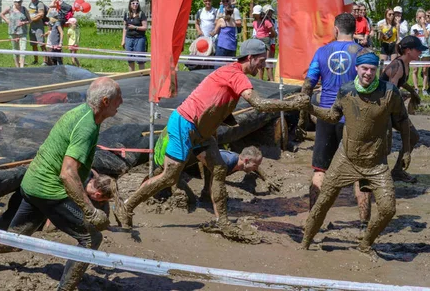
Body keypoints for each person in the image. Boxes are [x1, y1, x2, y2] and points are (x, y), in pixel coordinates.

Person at [113, 39, 310, 236]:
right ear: (250, 58)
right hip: (185, 124)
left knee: (219, 168)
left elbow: (217, 107)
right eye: (261, 60)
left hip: (202, 133)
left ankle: (222, 221)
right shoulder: (236, 74)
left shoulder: (230, 72)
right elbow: (258, 104)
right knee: (169, 176)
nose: (263, 65)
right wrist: (293, 104)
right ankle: (127, 206)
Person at [0, 77, 123, 291]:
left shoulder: (83, 114)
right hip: (49, 191)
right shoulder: (85, 127)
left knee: (15, 240)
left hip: (35, 183)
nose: (121, 103)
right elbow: (68, 174)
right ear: (105, 101)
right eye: (118, 99)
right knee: (91, 239)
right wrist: (90, 211)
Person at [301, 49, 412, 255]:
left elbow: (404, 122)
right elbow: (333, 116)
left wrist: (406, 151)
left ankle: (366, 242)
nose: (368, 73)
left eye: (372, 69)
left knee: (388, 209)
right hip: (346, 159)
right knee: (323, 202)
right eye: (364, 69)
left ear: (377, 70)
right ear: (356, 69)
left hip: (376, 163)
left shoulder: (389, 93)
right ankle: (305, 243)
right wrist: (310, 108)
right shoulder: (346, 90)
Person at [297, 13, 370, 227]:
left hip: (327, 116)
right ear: (354, 31)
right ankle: (364, 224)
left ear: (336, 29)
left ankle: (314, 219)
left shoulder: (322, 51)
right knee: (361, 173)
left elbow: (308, 86)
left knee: (320, 170)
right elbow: (372, 88)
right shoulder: (363, 53)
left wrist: (303, 115)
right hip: (354, 119)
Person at [380, 35, 425, 183]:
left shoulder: (406, 63)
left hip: (392, 106)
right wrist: (404, 96)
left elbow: (401, 82)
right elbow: (391, 92)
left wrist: (412, 92)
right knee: (385, 144)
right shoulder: (397, 66)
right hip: (383, 108)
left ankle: (398, 170)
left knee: (413, 136)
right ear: (408, 50)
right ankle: (380, 176)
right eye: (418, 50)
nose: (420, 53)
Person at [1, 0, 31, 68]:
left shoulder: (24, 9)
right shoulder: (10, 8)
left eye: (20, 1)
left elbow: (30, 20)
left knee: (23, 50)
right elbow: (1, 14)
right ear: (14, 2)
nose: (19, 3)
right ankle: (17, 66)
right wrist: (7, 21)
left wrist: (24, 23)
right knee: (15, 50)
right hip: (13, 32)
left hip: (22, 32)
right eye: (18, 2)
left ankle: (22, 67)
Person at [409, 9, 430, 95]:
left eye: (423, 17)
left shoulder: (428, 26)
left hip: (425, 49)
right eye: (420, 17)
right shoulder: (413, 27)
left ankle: (424, 88)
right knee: (415, 69)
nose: (422, 19)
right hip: (416, 49)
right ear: (416, 18)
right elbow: (411, 39)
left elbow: (426, 36)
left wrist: (423, 25)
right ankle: (416, 88)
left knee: (425, 70)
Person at [121, 0, 148, 71]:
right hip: (129, 38)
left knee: (140, 59)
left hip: (139, 38)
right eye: (133, 3)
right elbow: (125, 28)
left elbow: (145, 27)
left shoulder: (141, 14)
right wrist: (123, 40)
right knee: (130, 59)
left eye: (137, 3)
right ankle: (131, 76)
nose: (135, 5)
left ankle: (141, 75)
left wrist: (135, 27)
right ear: (130, 5)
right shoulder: (127, 14)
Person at [252, 5, 276, 81]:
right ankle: (260, 80)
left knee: (267, 61)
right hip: (258, 41)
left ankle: (271, 80)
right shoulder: (255, 22)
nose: (256, 15)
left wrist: (269, 35)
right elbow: (255, 33)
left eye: (257, 14)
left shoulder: (266, 22)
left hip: (266, 40)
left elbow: (273, 33)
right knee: (259, 61)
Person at [27, 0, 46, 65]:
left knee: (41, 44)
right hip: (32, 26)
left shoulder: (40, 3)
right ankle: (36, 60)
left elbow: (41, 14)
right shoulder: (30, 4)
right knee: (33, 44)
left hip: (38, 26)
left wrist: (33, 19)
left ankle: (45, 60)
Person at [264, 5, 278, 81]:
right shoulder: (262, 21)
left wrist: (272, 33)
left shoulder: (274, 21)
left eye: (270, 12)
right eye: (267, 12)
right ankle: (268, 79)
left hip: (272, 42)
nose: (269, 13)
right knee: (265, 60)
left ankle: (270, 78)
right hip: (264, 43)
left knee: (271, 61)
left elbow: (276, 33)